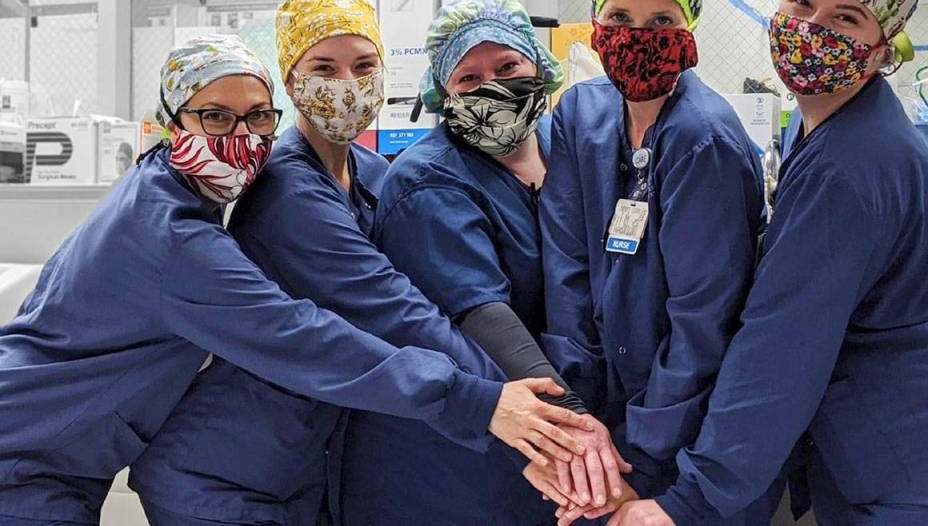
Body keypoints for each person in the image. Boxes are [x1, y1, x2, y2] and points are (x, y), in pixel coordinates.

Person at [0, 34, 576, 526]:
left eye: (257, 117)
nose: (241, 136)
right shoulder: (176, 238)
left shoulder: (180, 186)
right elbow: (303, 334)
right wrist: (481, 401)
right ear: (173, 122)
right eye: (215, 116)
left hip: (72, 455)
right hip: (29, 456)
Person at [587, 0, 928, 525]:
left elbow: (781, 348)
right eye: (802, 1)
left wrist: (690, 500)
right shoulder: (820, 120)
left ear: (882, 49)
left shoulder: (848, 165)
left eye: (847, 17)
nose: (813, 28)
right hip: (921, 427)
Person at [339, 0, 629, 525]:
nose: (492, 87)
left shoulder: (564, 147)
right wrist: (572, 429)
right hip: (461, 468)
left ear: (538, 66)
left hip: (546, 443)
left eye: (507, 67)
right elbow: (483, 318)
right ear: (441, 93)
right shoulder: (428, 179)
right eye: (468, 78)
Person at [541, 0, 784, 525]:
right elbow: (566, 267)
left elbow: (703, 320)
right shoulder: (580, 114)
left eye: (661, 22)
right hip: (600, 419)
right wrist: (578, 416)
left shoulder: (704, 140)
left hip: (684, 431)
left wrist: (640, 456)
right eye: (620, 17)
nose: (637, 36)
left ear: (689, 28)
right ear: (595, 20)